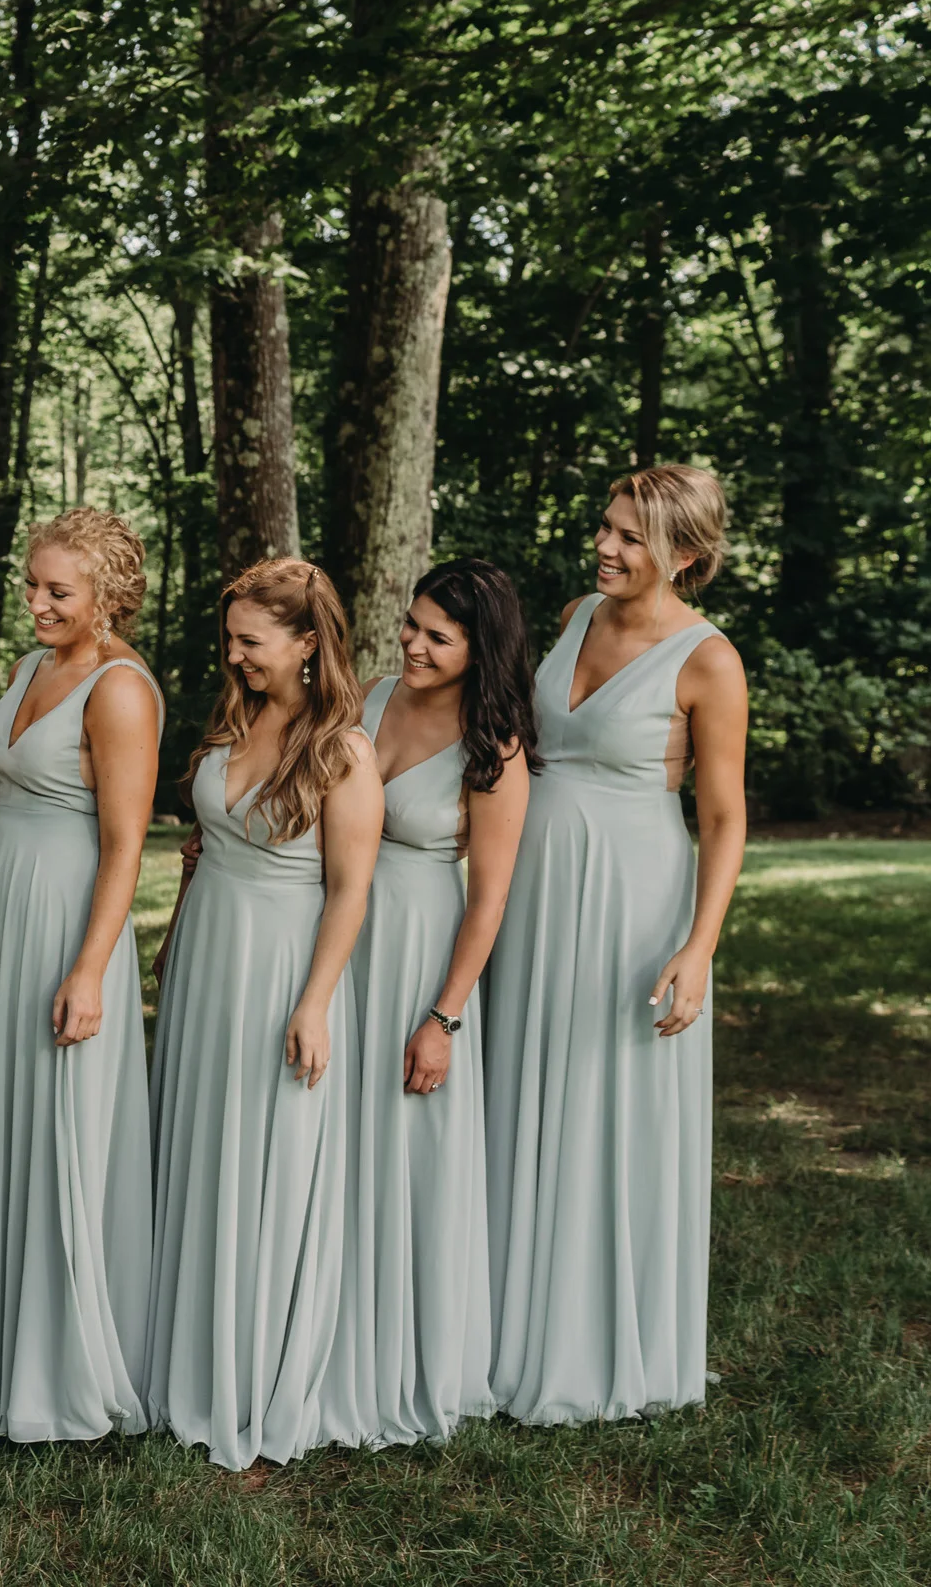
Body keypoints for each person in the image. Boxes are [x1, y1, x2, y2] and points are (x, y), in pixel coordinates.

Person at [487, 466, 748, 1425]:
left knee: (605, 1098)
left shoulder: (708, 661)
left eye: (632, 537)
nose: (606, 546)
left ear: (685, 554)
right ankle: (501, 1320)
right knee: (521, 1078)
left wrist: (698, 946)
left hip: (632, 899)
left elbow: (723, 817)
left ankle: (595, 1339)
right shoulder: (573, 616)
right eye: (606, 526)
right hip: (534, 886)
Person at [146, 558, 383, 1471]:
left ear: (307, 642)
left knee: (270, 1159)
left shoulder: (344, 752)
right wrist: (175, 939)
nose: (235, 656)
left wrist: (315, 1002)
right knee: (204, 1148)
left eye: (251, 641)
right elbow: (204, 848)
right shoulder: (235, 719)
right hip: (209, 960)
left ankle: (258, 1375)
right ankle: (189, 1357)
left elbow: (350, 890)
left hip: (284, 967)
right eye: (231, 639)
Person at [0, 511, 161, 1445]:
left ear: (107, 596)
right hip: (4, 904)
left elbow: (126, 845)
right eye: (32, 583)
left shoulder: (121, 689)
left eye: (58, 591)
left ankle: (56, 1367)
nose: (35, 601)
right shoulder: (32, 666)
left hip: (66, 912)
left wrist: (91, 968)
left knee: (53, 1122)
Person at [319, 559, 537, 1450]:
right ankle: (322, 1338)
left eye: (437, 637)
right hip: (337, 936)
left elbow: (490, 899)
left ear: (479, 650)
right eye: (411, 624)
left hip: (418, 950)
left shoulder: (495, 749)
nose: (412, 643)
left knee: (405, 1152)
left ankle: (403, 1361)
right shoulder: (371, 697)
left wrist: (444, 1018)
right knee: (332, 1137)